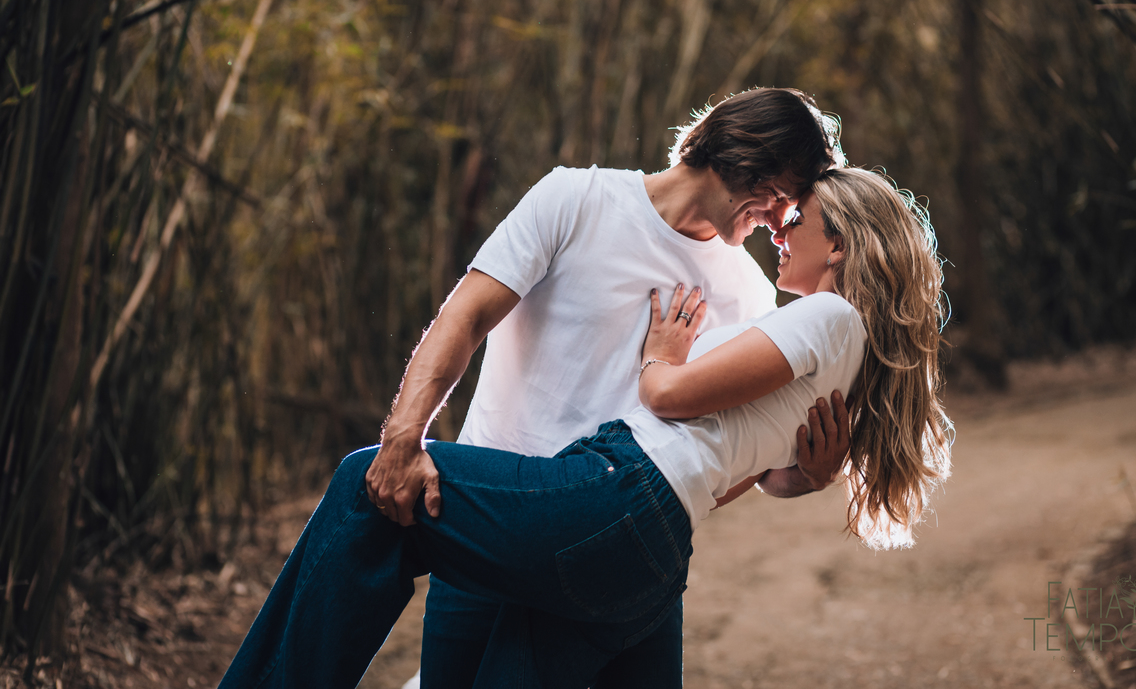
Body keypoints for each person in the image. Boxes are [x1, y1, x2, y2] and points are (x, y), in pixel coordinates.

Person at [218, 167, 953, 689]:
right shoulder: (840, 354)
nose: (781, 229)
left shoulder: (822, 318)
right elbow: (744, 466)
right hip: (653, 548)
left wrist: (660, 359)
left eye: (799, 219)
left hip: (613, 495)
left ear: (844, 244)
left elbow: (667, 399)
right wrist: (811, 477)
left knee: (359, 482)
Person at [374, 87, 849, 689]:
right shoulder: (576, 199)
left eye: (792, 207)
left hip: (615, 563)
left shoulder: (751, 298)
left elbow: (729, 465)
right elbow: (463, 317)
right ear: (743, 154)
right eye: (781, 195)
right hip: (490, 525)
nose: (781, 219)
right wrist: (403, 438)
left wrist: (807, 474)